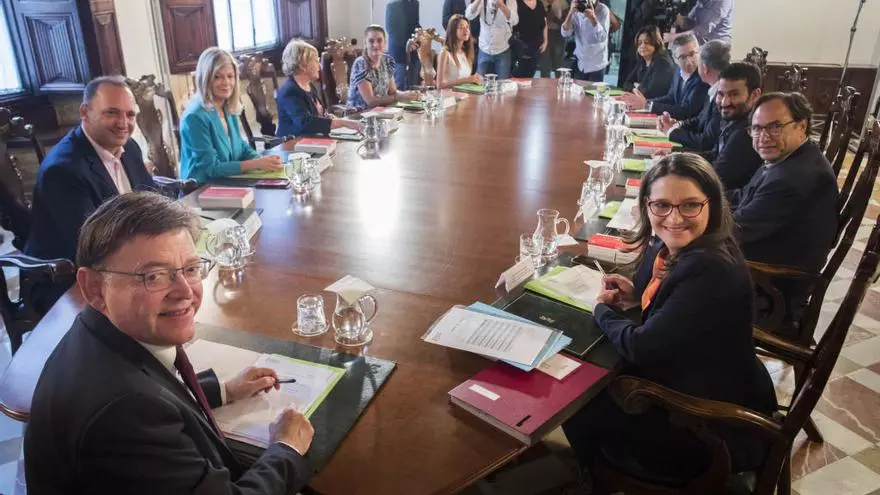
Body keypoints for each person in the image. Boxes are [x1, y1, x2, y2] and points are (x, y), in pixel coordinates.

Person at [24, 191, 314, 494]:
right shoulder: (125, 414)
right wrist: (287, 448)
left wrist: (224, 391)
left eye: (190, 269)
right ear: (95, 288)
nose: (185, 291)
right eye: (154, 276)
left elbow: (152, 387)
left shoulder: (99, 330)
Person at [562, 153, 776, 488]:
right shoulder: (699, 248)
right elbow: (684, 309)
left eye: (689, 205)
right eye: (661, 205)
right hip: (721, 386)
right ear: (647, 206)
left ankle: (600, 479)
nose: (674, 218)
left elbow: (642, 347)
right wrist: (640, 295)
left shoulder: (709, 269)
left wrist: (602, 310)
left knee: (575, 400)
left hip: (706, 426)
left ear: (712, 205)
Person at [729, 92, 838, 330]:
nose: (763, 137)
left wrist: (688, 216)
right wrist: (700, 197)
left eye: (775, 127)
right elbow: (743, 197)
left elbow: (736, 230)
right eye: (756, 128)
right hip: (760, 269)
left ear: (801, 126)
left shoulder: (794, 178)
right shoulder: (790, 159)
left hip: (769, 292)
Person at [26, 76, 153, 276]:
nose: (123, 123)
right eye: (111, 113)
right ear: (85, 112)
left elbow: (151, 200)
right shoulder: (62, 170)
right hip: (73, 275)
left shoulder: (129, 147)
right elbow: (92, 245)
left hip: (130, 257)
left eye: (130, 115)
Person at [179, 47, 282, 183]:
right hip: (202, 188)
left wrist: (262, 160)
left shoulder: (228, 107)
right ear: (205, 79)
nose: (226, 83)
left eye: (230, 76)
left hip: (229, 181)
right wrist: (256, 164)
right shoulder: (194, 117)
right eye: (217, 77)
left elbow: (241, 147)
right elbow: (211, 168)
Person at [275, 39, 364, 138]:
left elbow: (317, 115)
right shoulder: (289, 92)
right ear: (302, 65)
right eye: (316, 61)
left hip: (310, 140)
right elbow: (305, 123)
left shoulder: (309, 85)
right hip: (291, 143)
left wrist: (328, 117)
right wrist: (343, 123)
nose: (319, 65)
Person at [701, 62, 763, 190]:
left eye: (734, 94)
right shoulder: (733, 120)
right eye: (721, 94)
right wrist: (675, 156)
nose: (725, 102)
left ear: (755, 95)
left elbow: (715, 179)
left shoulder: (747, 132)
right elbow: (714, 155)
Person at [661, 39, 730, 151]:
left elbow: (706, 142)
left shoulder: (723, 98)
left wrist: (671, 131)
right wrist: (677, 125)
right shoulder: (713, 88)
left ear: (705, 68)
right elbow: (700, 119)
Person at [621, 33, 708, 121]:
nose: (689, 61)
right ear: (675, 59)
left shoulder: (704, 76)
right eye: (682, 57)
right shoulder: (679, 70)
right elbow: (670, 98)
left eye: (692, 54)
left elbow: (686, 112)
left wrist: (647, 105)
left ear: (699, 52)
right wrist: (646, 102)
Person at [348, 25, 418, 111]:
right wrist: (398, 97)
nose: (375, 45)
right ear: (365, 43)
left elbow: (393, 92)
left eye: (379, 40)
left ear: (385, 42)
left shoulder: (387, 60)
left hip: (382, 111)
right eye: (371, 41)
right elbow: (371, 101)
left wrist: (408, 94)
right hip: (359, 113)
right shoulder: (360, 64)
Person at [466, 0, 519, 79]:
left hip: (503, 48)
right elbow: (468, 15)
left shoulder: (509, 1)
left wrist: (501, 5)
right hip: (484, 48)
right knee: (479, 82)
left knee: (503, 83)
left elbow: (515, 20)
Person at [621, 25, 675, 100]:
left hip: (656, 104)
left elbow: (650, 93)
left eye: (646, 42)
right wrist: (634, 89)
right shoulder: (643, 60)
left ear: (656, 43)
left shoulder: (663, 63)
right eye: (640, 43)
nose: (642, 46)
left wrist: (637, 86)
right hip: (642, 101)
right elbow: (626, 83)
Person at [560, 0, 609, 82]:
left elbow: (602, 37)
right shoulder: (576, 10)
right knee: (578, 89)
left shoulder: (603, 10)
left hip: (597, 63)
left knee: (593, 90)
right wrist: (570, 13)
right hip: (581, 62)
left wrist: (593, 18)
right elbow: (565, 33)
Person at [437, 15, 482, 89]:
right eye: (461, 27)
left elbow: (467, 79)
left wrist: (475, 79)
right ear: (453, 31)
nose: (466, 30)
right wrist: (467, 80)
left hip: (465, 93)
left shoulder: (466, 52)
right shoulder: (445, 53)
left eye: (467, 27)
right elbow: (440, 85)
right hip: (450, 95)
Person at [386, 0, 421, 90]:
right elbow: (391, 29)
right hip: (398, 54)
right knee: (399, 86)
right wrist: (407, 45)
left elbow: (416, 24)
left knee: (413, 86)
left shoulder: (415, 3)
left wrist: (419, 38)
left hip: (414, 52)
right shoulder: (392, 4)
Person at [665, 0, 734, 45]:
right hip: (701, 44)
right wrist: (681, 20)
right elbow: (693, 23)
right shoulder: (702, 1)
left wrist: (675, 37)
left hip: (718, 47)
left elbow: (703, 30)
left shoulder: (722, 1)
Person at [511, 0, 547, 78]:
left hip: (535, 47)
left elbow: (544, 24)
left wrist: (546, 41)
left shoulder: (539, 3)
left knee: (529, 76)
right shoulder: (515, 2)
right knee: (517, 75)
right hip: (519, 46)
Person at [539, 0, 568, 77]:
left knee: (559, 64)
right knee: (544, 64)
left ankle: (560, 82)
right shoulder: (540, 2)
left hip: (558, 34)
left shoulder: (562, 2)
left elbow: (566, 23)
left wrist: (554, 19)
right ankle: (544, 83)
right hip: (543, 34)